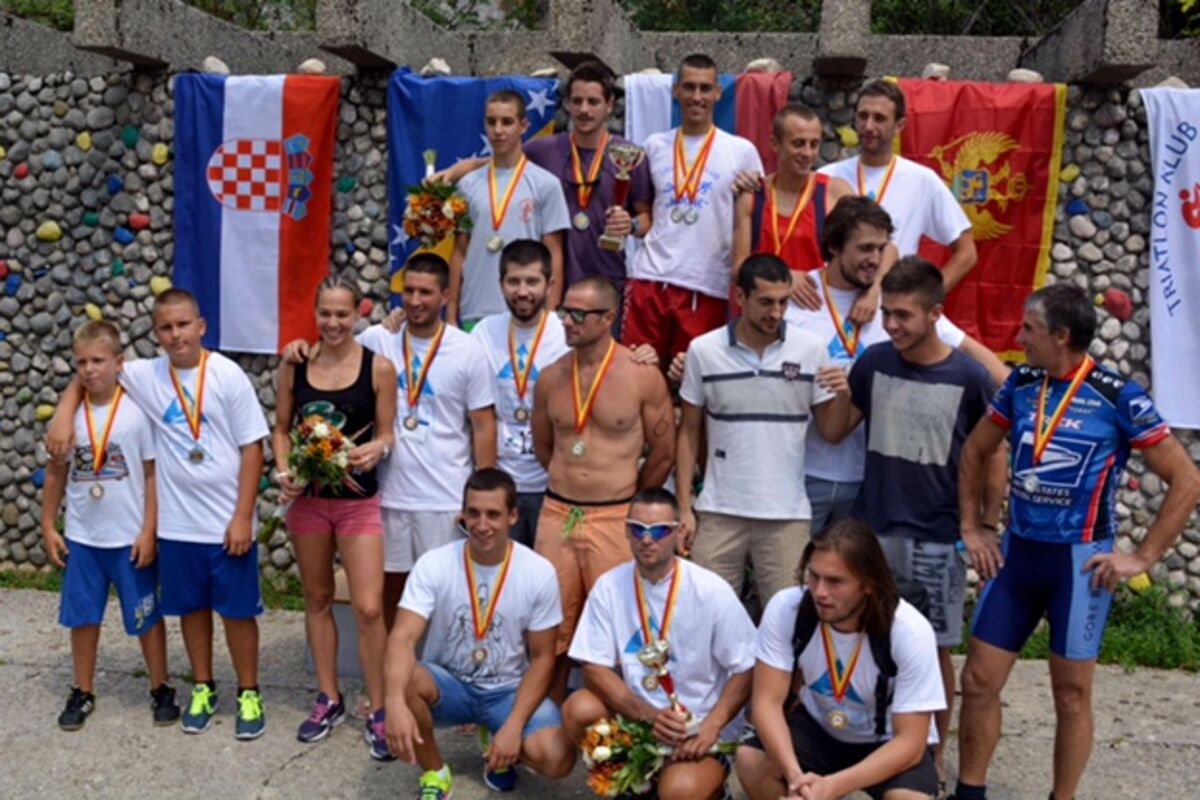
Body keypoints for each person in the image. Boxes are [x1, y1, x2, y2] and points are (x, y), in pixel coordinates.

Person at [952, 283, 1200, 800]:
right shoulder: (1022, 385)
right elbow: (975, 451)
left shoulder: (1118, 396)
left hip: (1079, 565)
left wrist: (1143, 557)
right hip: (1019, 556)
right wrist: (975, 528)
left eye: (1030, 330)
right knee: (977, 681)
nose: (1020, 338)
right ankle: (970, 792)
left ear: (1061, 336)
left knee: (1070, 695)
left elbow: (1186, 479)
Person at [48, 289, 270, 740]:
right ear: (155, 334)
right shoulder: (146, 374)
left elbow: (253, 448)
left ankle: (249, 691)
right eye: (166, 328)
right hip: (178, 524)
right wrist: (64, 414)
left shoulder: (227, 375)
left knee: (237, 612)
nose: (175, 335)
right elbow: (90, 369)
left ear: (201, 326)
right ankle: (203, 686)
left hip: (226, 521)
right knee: (191, 610)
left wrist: (243, 515)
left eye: (183, 325)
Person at [818, 257, 1006, 781]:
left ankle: (932, 756)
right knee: (863, 637)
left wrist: (985, 524)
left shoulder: (970, 377)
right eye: (888, 314)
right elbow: (835, 431)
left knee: (933, 651)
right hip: (872, 530)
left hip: (937, 537)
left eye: (903, 315)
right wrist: (837, 393)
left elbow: (994, 454)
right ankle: (867, 742)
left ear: (935, 314)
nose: (892, 324)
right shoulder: (874, 362)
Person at [786, 197, 1009, 534]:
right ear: (834, 247)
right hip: (802, 471)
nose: (876, 259)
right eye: (865, 248)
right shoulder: (796, 297)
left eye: (881, 248)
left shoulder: (897, 303)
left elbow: (997, 374)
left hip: (868, 484)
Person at [383, 468, 574, 799]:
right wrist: (393, 701)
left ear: (512, 516)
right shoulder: (434, 564)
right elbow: (402, 637)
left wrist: (513, 726)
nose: (482, 525)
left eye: (493, 514)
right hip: (450, 686)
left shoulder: (538, 572)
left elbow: (544, 658)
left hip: (507, 691)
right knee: (405, 679)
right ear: (463, 514)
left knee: (558, 758)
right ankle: (435, 772)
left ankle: (497, 741)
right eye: (473, 513)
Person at [531, 276, 675, 699]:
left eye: (579, 314)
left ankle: (621, 723)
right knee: (551, 627)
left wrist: (627, 499)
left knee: (620, 624)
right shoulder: (551, 377)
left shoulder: (641, 376)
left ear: (608, 317)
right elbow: (544, 447)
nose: (567, 322)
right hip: (558, 513)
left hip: (614, 515)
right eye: (565, 312)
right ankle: (548, 719)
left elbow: (663, 452)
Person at [676, 254, 848, 608]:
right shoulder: (703, 351)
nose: (777, 312)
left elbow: (831, 432)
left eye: (784, 302)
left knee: (788, 619)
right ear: (740, 297)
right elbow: (688, 432)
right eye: (766, 302)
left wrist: (845, 396)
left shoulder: (811, 349)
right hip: (719, 511)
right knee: (706, 616)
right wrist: (684, 507)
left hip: (787, 515)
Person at [563, 488, 756, 800]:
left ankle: (709, 789)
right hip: (639, 719)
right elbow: (593, 667)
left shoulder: (710, 590)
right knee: (579, 708)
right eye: (638, 529)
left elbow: (747, 666)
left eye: (659, 531)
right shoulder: (609, 587)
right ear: (626, 531)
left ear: (679, 533)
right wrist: (648, 715)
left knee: (679, 791)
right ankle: (633, 784)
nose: (647, 539)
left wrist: (712, 726)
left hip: (697, 728)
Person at [272, 275, 396, 754]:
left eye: (342, 313)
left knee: (368, 607)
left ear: (358, 314)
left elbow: (387, 433)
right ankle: (328, 697)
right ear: (315, 313)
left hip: (358, 503)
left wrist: (378, 449)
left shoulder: (378, 367)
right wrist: (285, 470)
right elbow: (281, 429)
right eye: (325, 313)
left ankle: (380, 707)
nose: (333, 322)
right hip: (309, 503)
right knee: (318, 597)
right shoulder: (295, 365)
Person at [737, 519, 945, 800]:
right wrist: (796, 779)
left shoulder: (909, 630)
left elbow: (911, 743)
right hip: (818, 729)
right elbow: (766, 703)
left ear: (869, 584)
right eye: (814, 576)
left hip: (885, 739)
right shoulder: (787, 608)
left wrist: (832, 787)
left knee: (910, 798)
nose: (820, 592)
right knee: (751, 760)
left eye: (835, 581)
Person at [40, 320, 179, 731]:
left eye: (98, 360)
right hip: (84, 537)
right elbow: (56, 472)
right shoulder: (70, 418)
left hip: (129, 537)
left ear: (119, 363)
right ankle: (83, 689)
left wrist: (149, 530)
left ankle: (160, 686)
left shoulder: (137, 413)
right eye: (82, 362)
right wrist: (48, 524)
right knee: (82, 617)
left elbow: (152, 475)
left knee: (146, 615)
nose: (90, 369)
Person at [433, 61, 654, 311]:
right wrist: (450, 173)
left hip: (605, 282)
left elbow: (647, 220)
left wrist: (631, 224)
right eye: (577, 101)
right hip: (551, 287)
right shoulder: (546, 149)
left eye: (593, 102)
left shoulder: (629, 155)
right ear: (567, 104)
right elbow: (495, 160)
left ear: (610, 105)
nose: (584, 110)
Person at [623, 53, 765, 366]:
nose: (696, 96)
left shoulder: (741, 151)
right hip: (650, 278)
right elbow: (645, 213)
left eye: (705, 88)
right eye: (689, 87)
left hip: (707, 284)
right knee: (637, 373)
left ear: (718, 93)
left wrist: (752, 187)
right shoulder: (653, 146)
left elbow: (755, 219)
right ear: (676, 91)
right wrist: (627, 225)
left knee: (693, 378)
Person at [819, 79, 977, 291]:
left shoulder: (922, 180)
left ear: (899, 126)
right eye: (863, 116)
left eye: (879, 118)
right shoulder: (826, 177)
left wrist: (924, 298)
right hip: (832, 300)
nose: (868, 126)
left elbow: (967, 252)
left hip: (891, 303)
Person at [469, 240, 571, 547]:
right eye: (513, 281)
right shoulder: (483, 332)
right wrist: (397, 324)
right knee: (500, 569)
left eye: (532, 281)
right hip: (502, 483)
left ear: (549, 284)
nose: (522, 291)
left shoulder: (567, 334)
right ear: (501, 284)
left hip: (553, 484)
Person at [449, 89, 571, 327]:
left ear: (523, 126)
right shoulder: (467, 184)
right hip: (475, 308)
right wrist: (452, 315)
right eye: (491, 122)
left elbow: (554, 253)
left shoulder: (546, 184)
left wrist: (550, 314)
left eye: (507, 122)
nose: (498, 130)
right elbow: (459, 252)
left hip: (527, 310)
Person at [732, 104, 858, 316]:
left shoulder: (835, 193)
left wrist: (872, 291)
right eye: (798, 144)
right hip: (763, 317)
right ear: (775, 144)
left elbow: (866, 247)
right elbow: (738, 269)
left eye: (814, 144)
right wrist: (785, 277)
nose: (807, 153)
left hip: (816, 314)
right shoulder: (752, 196)